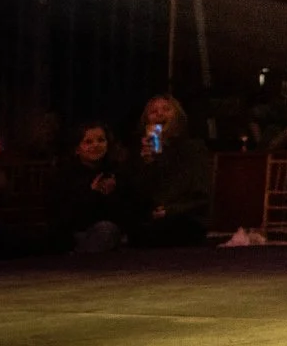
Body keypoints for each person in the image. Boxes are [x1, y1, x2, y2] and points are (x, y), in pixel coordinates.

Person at [127, 95, 212, 248]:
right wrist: (148, 164)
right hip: (153, 219)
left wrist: (170, 210)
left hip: (185, 217)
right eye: (153, 111)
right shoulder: (141, 153)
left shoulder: (193, 148)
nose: (160, 114)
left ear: (178, 116)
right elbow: (138, 195)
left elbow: (201, 196)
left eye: (166, 109)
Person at [55, 121, 134, 253]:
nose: (96, 145)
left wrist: (115, 191)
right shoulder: (66, 175)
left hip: (116, 231)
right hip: (78, 234)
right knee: (106, 230)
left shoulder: (115, 171)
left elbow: (127, 210)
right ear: (77, 148)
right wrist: (92, 193)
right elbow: (66, 217)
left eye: (101, 140)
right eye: (88, 142)